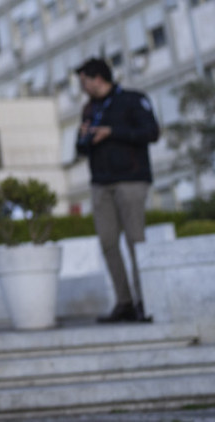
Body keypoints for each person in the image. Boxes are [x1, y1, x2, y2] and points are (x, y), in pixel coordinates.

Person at [76, 57, 160, 323]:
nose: (82, 87)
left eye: (84, 81)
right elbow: (79, 149)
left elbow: (152, 132)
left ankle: (144, 301)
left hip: (131, 180)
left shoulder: (133, 100)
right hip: (101, 183)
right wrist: (83, 137)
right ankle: (124, 303)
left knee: (136, 240)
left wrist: (112, 131)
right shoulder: (89, 109)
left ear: (98, 78)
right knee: (108, 243)